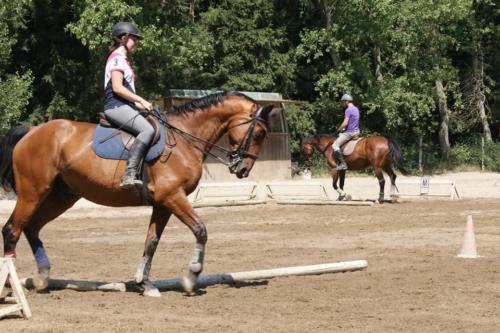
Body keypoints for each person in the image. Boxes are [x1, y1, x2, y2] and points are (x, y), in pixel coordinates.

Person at [104, 22, 154, 189]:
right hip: (115, 107)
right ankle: (129, 174)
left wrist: (141, 105)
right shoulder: (117, 59)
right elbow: (117, 88)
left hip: (124, 106)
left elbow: (126, 93)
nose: (137, 42)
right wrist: (141, 100)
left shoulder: (123, 60)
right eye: (134, 38)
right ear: (123, 38)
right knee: (147, 130)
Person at [332, 93, 360, 170]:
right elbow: (353, 122)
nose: (343, 103)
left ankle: (343, 164)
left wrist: (339, 130)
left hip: (350, 133)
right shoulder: (356, 109)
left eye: (343, 102)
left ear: (347, 101)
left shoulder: (348, 110)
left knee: (334, 145)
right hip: (357, 131)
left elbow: (345, 123)